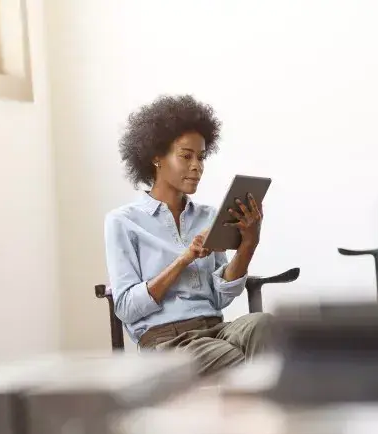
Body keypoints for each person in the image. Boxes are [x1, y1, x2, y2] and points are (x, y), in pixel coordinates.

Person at [104, 94, 272, 376]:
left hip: (215, 327)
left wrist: (248, 244)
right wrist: (184, 259)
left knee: (266, 328)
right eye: (186, 156)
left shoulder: (208, 216)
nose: (197, 166)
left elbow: (221, 298)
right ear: (156, 157)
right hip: (165, 342)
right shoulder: (123, 221)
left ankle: (267, 413)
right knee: (239, 363)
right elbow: (126, 308)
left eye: (201, 157)